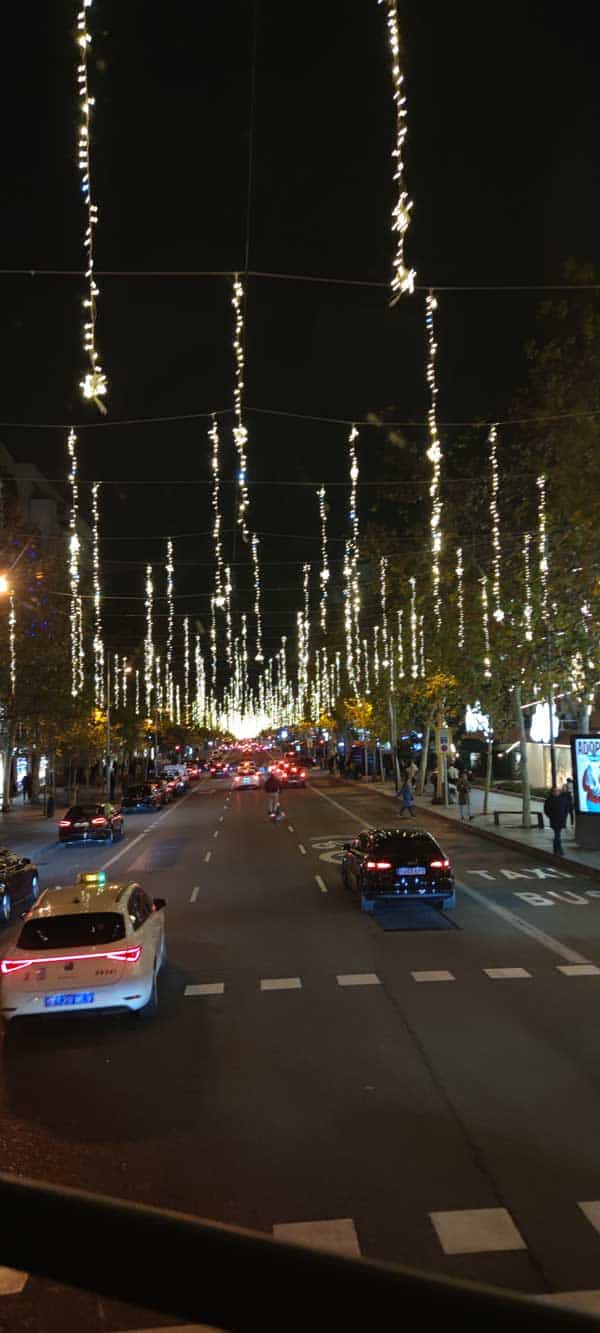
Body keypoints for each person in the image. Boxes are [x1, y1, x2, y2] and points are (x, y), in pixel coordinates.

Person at [544, 785, 569, 855]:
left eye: (558, 791)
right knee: (557, 834)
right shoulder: (549, 799)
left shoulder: (563, 798)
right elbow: (546, 810)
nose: (556, 792)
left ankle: (556, 848)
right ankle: (559, 850)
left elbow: (567, 808)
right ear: (552, 792)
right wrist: (551, 816)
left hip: (561, 819)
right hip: (554, 820)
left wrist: (565, 816)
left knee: (557, 834)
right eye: (554, 791)